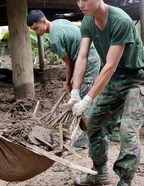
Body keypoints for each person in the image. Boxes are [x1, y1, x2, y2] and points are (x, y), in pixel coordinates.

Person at [68, 0, 144, 186]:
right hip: (116, 78)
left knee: (127, 129)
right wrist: (75, 91)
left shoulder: (120, 21)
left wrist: (87, 99)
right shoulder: (88, 21)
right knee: (94, 122)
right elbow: (83, 56)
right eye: (77, 0)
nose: (81, 4)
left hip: (138, 78)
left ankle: (125, 181)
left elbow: (110, 65)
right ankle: (99, 173)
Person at [27, 9, 100, 149]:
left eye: (36, 28)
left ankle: (85, 140)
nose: (36, 32)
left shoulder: (54, 39)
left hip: (88, 61)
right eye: (33, 30)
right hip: (89, 56)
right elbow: (77, 28)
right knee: (89, 96)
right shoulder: (59, 22)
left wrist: (68, 84)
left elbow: (68, 63)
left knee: (85, 100)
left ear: (43, 21)